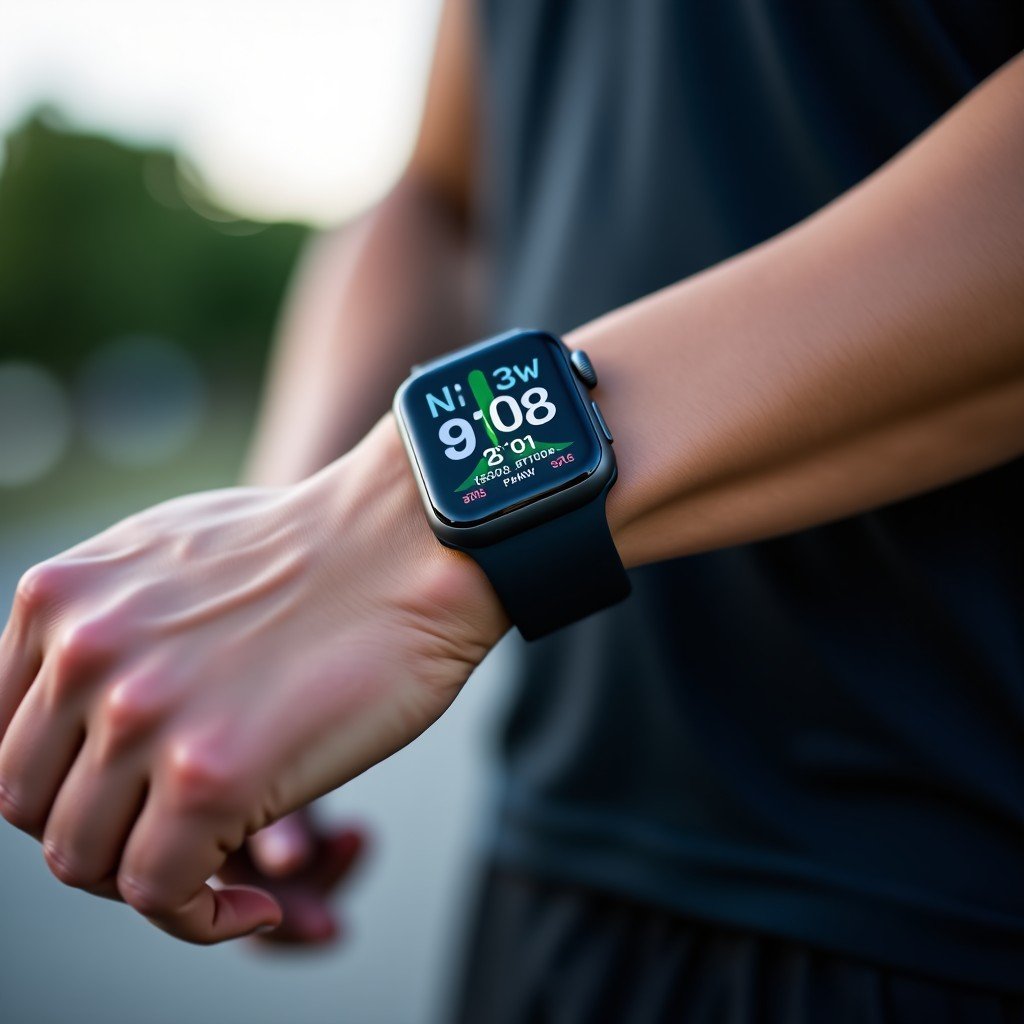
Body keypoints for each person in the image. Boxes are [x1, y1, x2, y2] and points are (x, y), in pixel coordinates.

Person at [1, 0, 1023, 1019]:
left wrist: (395, 529)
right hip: (554, 874)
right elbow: (441, 202)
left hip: (947, 888)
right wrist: (279, 576)